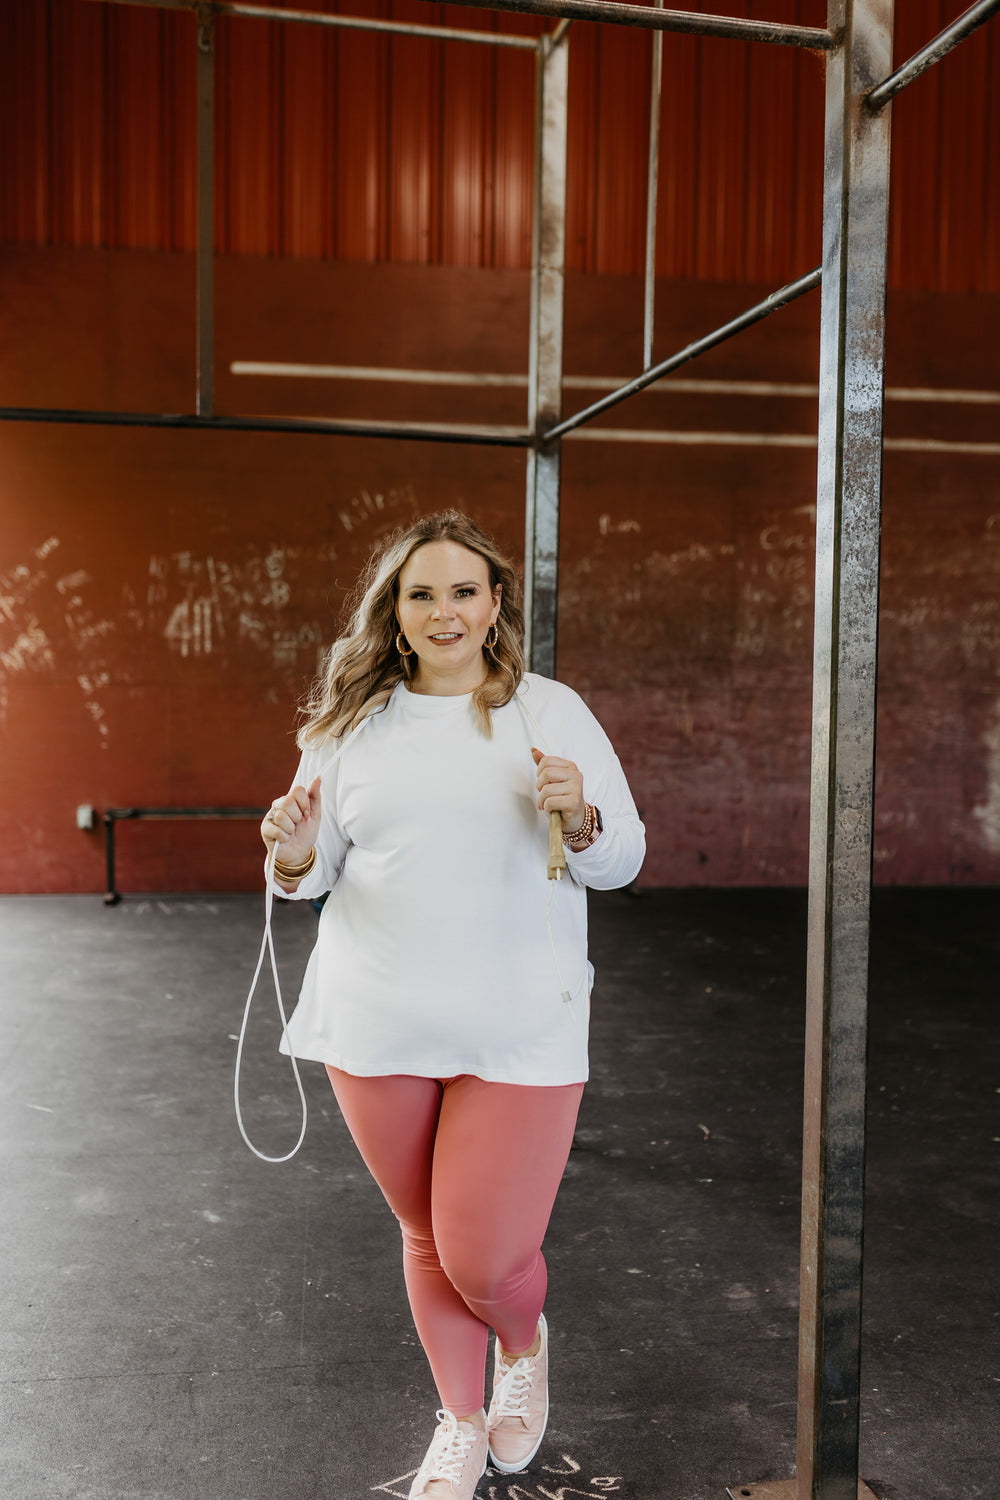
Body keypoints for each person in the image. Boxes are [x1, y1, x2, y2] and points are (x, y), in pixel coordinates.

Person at [260, 510, 644, 1500]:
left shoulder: (550, 713)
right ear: (392, 614)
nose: (443, 611)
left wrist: (583, 816)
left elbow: (622, 862)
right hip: (375, 1020)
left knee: (483, 1251)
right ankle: (462, 1421)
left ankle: (522, 1346)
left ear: (494, 605)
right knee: (427, 1235)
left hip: (521, 1022)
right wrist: (292, 848)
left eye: (462, 590)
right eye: (420, 593)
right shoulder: (346, 730)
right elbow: (308, 880)